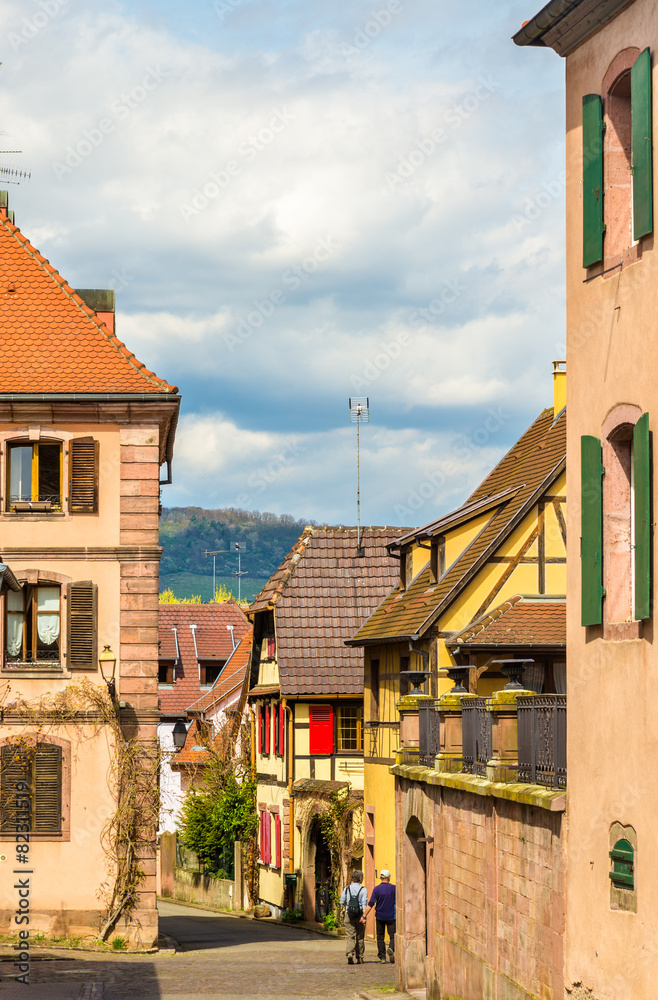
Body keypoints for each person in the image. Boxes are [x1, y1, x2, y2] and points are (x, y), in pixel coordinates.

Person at [361, 869, 396, 963]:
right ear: (389, 877)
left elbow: (371, 903)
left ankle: (382, 957)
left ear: (380, 877)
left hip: (380, 916)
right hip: (391, 916)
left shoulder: (377, 889)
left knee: (380, 937)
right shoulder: (394, 888)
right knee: (393, 935)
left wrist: (364, 915)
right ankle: (391, 948)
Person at [339, 869, 367, 964]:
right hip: (359, 915)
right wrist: (364, 916)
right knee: (360, 936)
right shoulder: (363, 890)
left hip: (349, 915)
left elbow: (342, 901)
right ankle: (360, 957)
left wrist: (347, 904)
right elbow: (364, 905)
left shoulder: (347, 888)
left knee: (350, 936)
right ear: (360, 879)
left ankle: (350, 953)